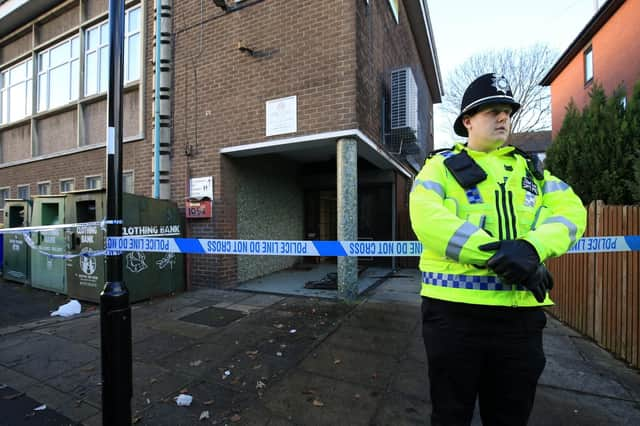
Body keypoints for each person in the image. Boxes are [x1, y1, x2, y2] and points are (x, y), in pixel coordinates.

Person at [409, 73, 587, 425]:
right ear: (467, 121)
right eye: (491, 111)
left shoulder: (534, 172)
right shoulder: (440, 168)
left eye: (506, 111)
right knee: (450, 415)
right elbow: (427, 218)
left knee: (510, 417)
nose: (503, 117)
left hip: (519, 321)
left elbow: (572, 212)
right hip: (453, 317)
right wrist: (505, 257)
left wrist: (532, 248)